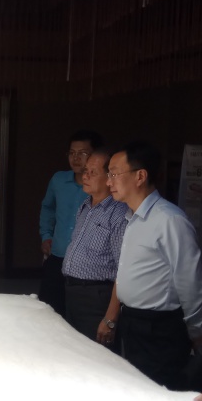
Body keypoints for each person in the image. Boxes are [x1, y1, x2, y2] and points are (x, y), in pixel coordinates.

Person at [108, 141, 202, 390]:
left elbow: (190, 283)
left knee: (159, 391)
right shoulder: (132, 217)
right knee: (135, 388)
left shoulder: (169, 220)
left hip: (159, 328)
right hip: (132, 321)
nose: (109, 182)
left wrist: (197, 332)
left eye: (114, 174)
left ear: (140, 176)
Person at [61, 148, 128, 350]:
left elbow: (123, 271)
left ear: (109, 178)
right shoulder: (85, 206)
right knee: (74, 351)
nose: (85, 176)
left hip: (97, 297)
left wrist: (110, 318)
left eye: (93, 172)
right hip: (72, 292)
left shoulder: (118, 213)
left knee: (95, 355)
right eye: (85, 171)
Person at [38, 130, 103, 317]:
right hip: (57, 255)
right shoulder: (59, 180)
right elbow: (48, 207)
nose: (76, 158)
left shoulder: (100, 186)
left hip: (86, 266)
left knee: (78, 316)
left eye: (83, 153)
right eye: (72, 153)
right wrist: (46, 235)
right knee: (49, 313)